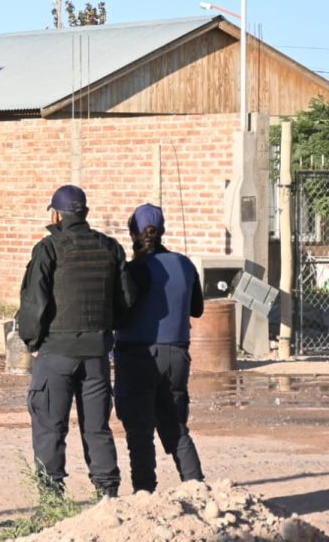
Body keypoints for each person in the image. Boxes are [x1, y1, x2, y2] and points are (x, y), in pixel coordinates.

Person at [17, 184, 135, 498]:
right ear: (84, 213)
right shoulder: (110, 247)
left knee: (50, 428)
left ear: (56, 213)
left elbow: (34, 302)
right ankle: (108, 495)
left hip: (57, 353)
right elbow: (126, 301)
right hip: (96, 355)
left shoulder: (49, 248)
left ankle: (52, 497)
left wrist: (32, 342)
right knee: (97, 428)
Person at [113, 203, 205, 493]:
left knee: (139, 430)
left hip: (137, 356)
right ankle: (197, 488)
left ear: (133, 233)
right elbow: (197, 310)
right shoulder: (184, 264)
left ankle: (144, 495)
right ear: (162, 231)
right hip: (177, 355)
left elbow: (120, 313)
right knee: (175, 425)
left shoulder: (133, 269)